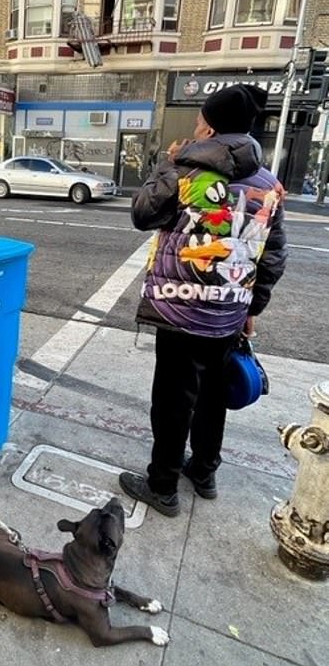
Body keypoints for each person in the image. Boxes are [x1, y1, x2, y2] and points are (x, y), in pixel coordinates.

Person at [119, 84, 287, 517]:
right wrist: (252, 308)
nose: (195, 128)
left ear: (209, 126)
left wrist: (167, 163)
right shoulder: (270, 186)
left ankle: (163, 486)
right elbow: (272, 255)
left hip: (181, 307)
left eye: (198, 121)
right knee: (213, 394)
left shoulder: (185, 170)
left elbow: (142, 214)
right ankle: (205, 471)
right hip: (229, 309)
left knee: (174, 400)